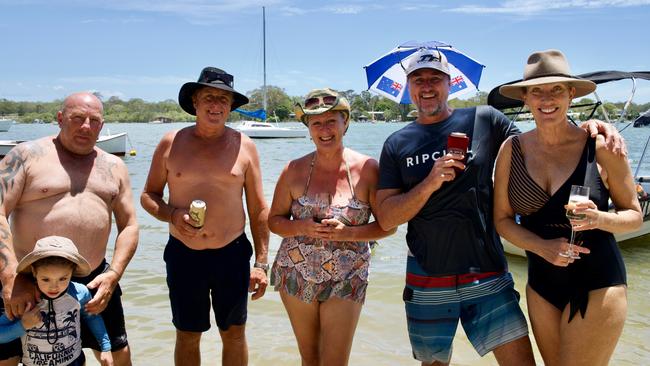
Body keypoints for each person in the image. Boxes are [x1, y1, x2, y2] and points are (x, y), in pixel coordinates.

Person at [374, 48, 624, 366]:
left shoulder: (484, 119)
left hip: (488, 272)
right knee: (433, 363)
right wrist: (430, 182)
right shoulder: (396, 144)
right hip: (427, 275)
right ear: (408, 87)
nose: (427, 86)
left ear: (450, 83)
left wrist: (591, 127)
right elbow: (385, 217)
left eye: (435, 78)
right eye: (418, 79)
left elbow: (544, 142)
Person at [493, 49, 642, 366]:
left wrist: (599, 217)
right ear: (526, 98)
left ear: (571, 93)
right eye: (537, 91)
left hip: (598, 280)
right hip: (542, 284)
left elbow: (634, 216)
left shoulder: (600, 145)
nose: (547, 98)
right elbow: (503, 221)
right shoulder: (512, 149)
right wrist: (542, 247)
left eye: (556, 89)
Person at [141, 67, 270, 366]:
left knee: (235, 332)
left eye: (224, 100)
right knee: (187, 334)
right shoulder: (171, 143)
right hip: (184, 255)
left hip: (233, 254)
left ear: (231, 107)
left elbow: (258, 209)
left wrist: (261, 263)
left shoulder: (245, 146)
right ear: (195, 102)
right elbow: (149, 196)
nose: (216, 105)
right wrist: (173, 215)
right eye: (209, 97)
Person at [0, 92, 139, 366]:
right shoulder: (26, 156)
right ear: (60, 118)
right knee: (9, 357)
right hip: (28, 279)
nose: (86, 126)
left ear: (102, 125)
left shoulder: (114, 167)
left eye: (94, 120)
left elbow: (130, 226)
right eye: (77, 118)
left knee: (117, 356)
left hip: (95, 280)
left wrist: (113, 275)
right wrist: (8, 277)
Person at [268, 88, 396, 365]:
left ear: (345, 123)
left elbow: (389, 226)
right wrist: (302, 227)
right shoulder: (293, 169)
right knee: (310, 357)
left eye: (331, 121)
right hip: (296, 272)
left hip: (348, 274)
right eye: (316, 123)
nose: (324, 130)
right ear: (308, 128)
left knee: (335, 360)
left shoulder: (367, 169)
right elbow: (274, 221)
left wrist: (348, 233)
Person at [0, 236, 113, 366]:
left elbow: (92, 317)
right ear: (34, 272)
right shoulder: (25, 300)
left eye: (63, 279)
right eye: (46, 279)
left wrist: (106, 347)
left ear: (72, 271)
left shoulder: (80, 293)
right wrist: (23, 325)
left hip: (75, 362)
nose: (54, 287)